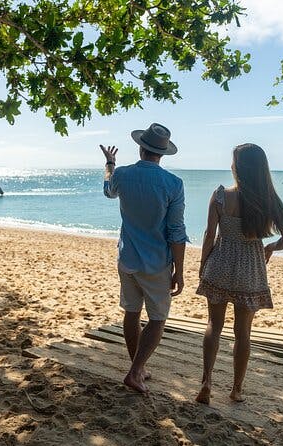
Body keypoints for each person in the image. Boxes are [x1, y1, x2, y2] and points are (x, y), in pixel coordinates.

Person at [195, 143, 283, 404]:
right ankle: (236, 389)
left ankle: (206, 383)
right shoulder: (270, 199)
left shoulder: (220, 195)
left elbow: (209, 235)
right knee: (243, 333)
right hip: (251, 270)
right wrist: (270, 247)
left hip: (221, 265)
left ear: (237, 167)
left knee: (213, 326)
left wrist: (203, 263)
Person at [102, 123, 188, 394]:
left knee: (131, 311)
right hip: (156, 263)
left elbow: (108, 190)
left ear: (141, 148)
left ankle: (137, 368)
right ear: (162, 154)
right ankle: (135, 371)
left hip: (127, 258)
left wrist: (110, 164)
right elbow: (176, 231)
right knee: (158, 319)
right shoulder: (173, 184)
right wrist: (180, 271)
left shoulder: (124, 175)